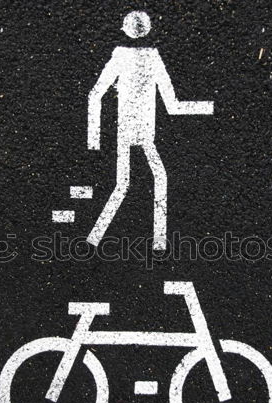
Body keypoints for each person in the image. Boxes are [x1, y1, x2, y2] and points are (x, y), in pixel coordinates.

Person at [87, 11, 213, 250]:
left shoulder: (120, 56)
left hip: (128, 130)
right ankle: (156, 242)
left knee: (125, 184)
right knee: (152, 179)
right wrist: (205, 107)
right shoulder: (150, 57)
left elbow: (96, 95)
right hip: (143, 131)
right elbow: (173, 105)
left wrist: (94, 139)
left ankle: (97, 238)